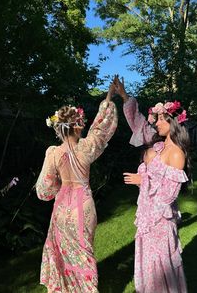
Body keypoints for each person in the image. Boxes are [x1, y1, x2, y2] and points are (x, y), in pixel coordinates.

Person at [36, 82, 118, 293]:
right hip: (84, 205)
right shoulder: (87, 147)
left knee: (62, 252)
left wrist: (57, 188)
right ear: (78, 126)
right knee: (84, 252)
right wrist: (109, 98)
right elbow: (101, 128)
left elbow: (44, 190)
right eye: (81, 122)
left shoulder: (53, 153)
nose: (84, 124)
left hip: (62, 208)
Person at [114, 76, 190, 293]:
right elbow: (138, 122)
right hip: (146, 216)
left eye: (160, 120)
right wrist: (124, 96)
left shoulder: (177, 154)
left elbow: (168, 196)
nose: (155, 123)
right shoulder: (157, 144)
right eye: (155, 120)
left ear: (173, 122)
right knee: (147, 264)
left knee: (160, 267)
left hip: (160, 221)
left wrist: (142, 180)